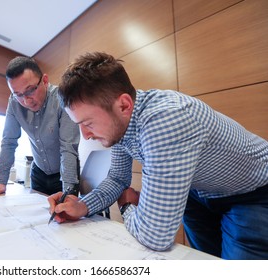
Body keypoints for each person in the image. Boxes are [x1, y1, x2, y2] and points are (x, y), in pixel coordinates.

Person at [48, 51, 268, 260]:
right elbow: (117, 178)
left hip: (251, 193)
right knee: (207, 262)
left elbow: (155, 235)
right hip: (200, 191)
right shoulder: (122, 123)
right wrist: (83, 206)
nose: (85, 136)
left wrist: (127, 206)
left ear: (124, 104)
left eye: (88, 123)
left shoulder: (165, 120)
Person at [0, 56, 80, 196]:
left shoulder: (61, 99)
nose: (26, 101)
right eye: (18, 94)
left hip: (63, 175)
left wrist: (69, 192)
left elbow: (68, 148)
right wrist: (1, 182)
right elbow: (8, 141)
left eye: (30, 90)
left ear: (44, 80)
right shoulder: (14, 103)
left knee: (63, 213)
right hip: (38, 172)